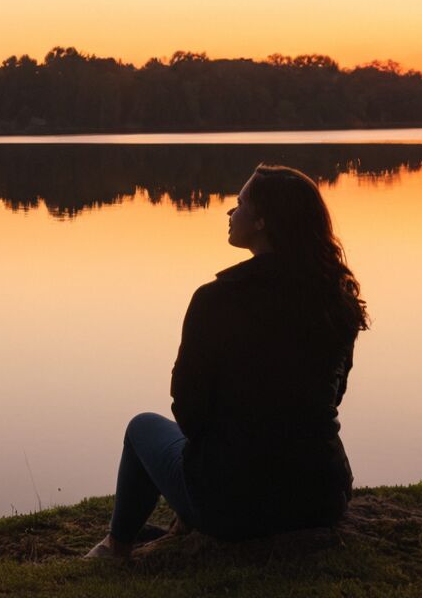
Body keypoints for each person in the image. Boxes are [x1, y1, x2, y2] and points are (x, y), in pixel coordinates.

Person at [87, 164, 369, 558]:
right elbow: (331, 396)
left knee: (142, 429)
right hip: (321, 497)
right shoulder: (335, 300)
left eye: (239, 205)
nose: (230, 213)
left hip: (233, 507)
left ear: (262, 221)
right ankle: (170, 523)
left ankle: (115, 547)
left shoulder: (215, 300)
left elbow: (189, 410)